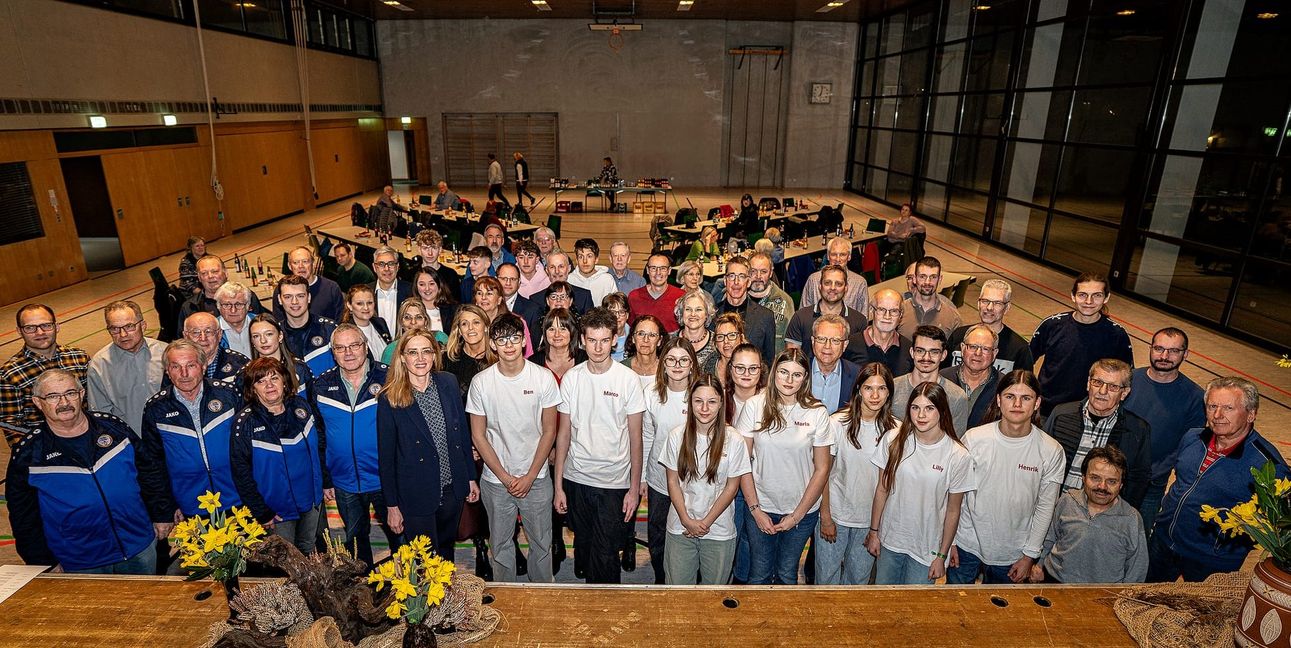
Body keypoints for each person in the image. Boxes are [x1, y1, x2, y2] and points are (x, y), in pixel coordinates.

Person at [7, 369, 170, 574]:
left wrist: (161, 513)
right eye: (53, 396)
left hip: (139, 546)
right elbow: (24, 517)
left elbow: (149, 471)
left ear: (81, 394)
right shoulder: (29, 454)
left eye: (70, 393)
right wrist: (42, 561)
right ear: (38, 403)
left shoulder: (113, 429)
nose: (64, 402)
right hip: (81, 560)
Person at [1147, 377, 1290, 582]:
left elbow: (1277, 522)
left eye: (1228, 408)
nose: (1217, 415)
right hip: (1162, 543)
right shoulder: (1192, 438)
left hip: (1209, 562)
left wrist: (1222, 547)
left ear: (1251, 414)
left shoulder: (1268, 465)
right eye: (1212, 406)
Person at [554, 307, 647, 584]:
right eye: (592, 340)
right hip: (577, 478)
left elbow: (636, 438)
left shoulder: (628, 380)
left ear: (615, 340)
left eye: (604, 340)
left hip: (614, 483)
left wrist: (634, 488)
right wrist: (558, 486)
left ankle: (606, 610)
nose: (598, 347)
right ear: (582, 340)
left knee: (606, 555)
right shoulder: (572, 378)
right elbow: (563, 435)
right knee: (584, 543)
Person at [947, 370, 1066, 584]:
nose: (1017, 404)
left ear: (1037, 403)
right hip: (966, 546)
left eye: (1026, 398)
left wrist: (1029, 555)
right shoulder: (974, 439)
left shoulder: (1051, 451)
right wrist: (952, 541)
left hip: (1013, 555)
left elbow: (1045, 507)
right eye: (1010, 396)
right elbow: (956, 495)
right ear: (999, 400)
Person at [467, 313, 561, 583]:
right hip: (496, 480)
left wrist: (530, 475)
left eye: (514, 338)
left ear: (523, 341)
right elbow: (479, 435)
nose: (508, 344)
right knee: (500, 545)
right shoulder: (482, 382)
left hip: (537, 478)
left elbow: (550, 430)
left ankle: (542, 594)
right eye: (501, 339)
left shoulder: (543, 378)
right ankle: (506, 596)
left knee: (542, 545)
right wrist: (505, 477)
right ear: (493, 344)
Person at [735, 348, 833, 585]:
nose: (789, 380)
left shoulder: (817, 412)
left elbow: (822, 469)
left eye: (797, 375)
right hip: (761, 505)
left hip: (802, 511)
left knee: (787, 573)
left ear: (805, 378)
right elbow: (741, 463)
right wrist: (756, 510)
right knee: (759, 573)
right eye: (783, 372)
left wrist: (796, 516)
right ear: (774, 373)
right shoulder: (754, 406)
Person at [378, 330, 478, 559]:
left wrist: (470, 477)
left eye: (426, 351)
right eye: (413, 352)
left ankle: (447, 596)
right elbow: (386, 458)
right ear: (402, 357)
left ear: (435, 355)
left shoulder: (448, 382)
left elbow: (461, 433)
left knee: (446, 552)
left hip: (452, 487)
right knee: (424, 561)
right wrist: (392, 506)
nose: (420, 358)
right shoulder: (389, 398)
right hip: (415, 493)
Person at [867, 382, 975, 585]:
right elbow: (882, 489)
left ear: (941, 410)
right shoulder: (893, 440)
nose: (921, 415)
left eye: (929, 408)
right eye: (915, 408)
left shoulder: (958, 455)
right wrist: (874, 532)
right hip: (890, 541)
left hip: (926, 550)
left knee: (914, 610)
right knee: (883, 603)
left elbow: (953, 510)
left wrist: (942, 555)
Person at [313, 324, 396, 566]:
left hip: (385, 480)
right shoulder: (321, 386)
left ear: (365, 347)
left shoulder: (389, 377)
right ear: (333, 352)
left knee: (399, 540)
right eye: (340, 347)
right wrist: (326, 478)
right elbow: (319, 436)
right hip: (345, 482)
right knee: (356, 546)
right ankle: (364, 593)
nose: (348, 352)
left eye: (354, 345)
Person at [139, 339, 245, 523]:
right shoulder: (156, 410)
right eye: (175, 367)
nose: (184, 374)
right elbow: (152, 465)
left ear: (203, 367)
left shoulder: (229, 396)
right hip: (190, 507)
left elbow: (250, 451)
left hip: (239, 499)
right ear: (167, 372)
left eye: (191, 365)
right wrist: (166, 508)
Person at [661, 375, 752, 584]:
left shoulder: (734, 440)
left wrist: (705, 523)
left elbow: (731, 487)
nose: (704, 408)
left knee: (714, 596)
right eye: (698, 401)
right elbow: (673, 482)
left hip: (718, 530)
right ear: (690, 402)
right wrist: (686, 520)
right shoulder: (676, 436)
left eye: (711, 401)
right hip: (680, 527)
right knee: (678, 594)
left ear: (721, 403)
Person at [229, 357, 324, 555]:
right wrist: (262, 513)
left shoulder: (302, 407)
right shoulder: (244, 423)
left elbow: (318, 449)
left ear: (284, 381)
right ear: (253, 388)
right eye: (261, 381)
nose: (269, 385)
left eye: (274, 378)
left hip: (310, 503)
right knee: (282, 563)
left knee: (306, 552)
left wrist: (325, 484)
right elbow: (241, 473)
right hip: (277, 513)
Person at [816, 362, 898, 585]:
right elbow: (822, 474)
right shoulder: (837, 423)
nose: (875, 395)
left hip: (870, 521)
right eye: (869, 388)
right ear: (859, 390)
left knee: (858, 580)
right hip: (836, 514)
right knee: (826, 578)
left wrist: (877, 527)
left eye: (881, 389)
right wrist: (825, 517)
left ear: (889, 393)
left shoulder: (896, 431)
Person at [1123, 328, 1205, 533]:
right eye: (1159, 348)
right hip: (1112, 472)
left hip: (1151, 483)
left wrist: (1160, 469)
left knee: (1138, 536)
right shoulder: (1129, 380)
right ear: (1150, 348)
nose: (1164, 356)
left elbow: (1191, 443)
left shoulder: (1195, 396)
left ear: (1185, 354)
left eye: (1173, 351)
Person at [1045, 359, 1151, 510]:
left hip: (1101, 518)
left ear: (1124, 393)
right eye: (1097, 382)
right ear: (1088, 383)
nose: (1102, 391)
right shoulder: (1061, 414)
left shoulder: (1137, 430)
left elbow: (1138, 480)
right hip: (1054, 509)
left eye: (1113, 387)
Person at [1032, 446, 1148, 583]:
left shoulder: (1131, 519)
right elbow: (1049, 537)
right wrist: (1038, 565)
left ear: (1121, 485)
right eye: (1095, 478)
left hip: (1103, 595)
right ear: (1083, 477)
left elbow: (1137, 568)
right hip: (1054, 581)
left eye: (1112, 481)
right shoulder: (1067, 500)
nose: (1102, 487)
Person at [1030, 271, 1134, 417]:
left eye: (1097, 295)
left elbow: (1126, 378)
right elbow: (1026, 361)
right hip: (1046, 410)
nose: (1089, 301)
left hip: (1090, 413)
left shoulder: (1117, 335)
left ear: (1106, 297)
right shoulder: (1052, 325)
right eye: (1082, 295)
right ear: (1073, 296)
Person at [641, 338, 699, 584]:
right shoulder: (652, 394)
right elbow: (646, 436)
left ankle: (689, 579)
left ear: (692, 364)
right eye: (671, 359)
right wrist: (643, 476)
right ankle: (661, 579)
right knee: (658, 534)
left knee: (690, 532)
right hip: (659, 478)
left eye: (683, 360)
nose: (677, 365)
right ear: (663, 363)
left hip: (693, 480)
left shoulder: (701, 395)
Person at [1, 304, 90, 447]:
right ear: (19, 331)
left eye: (46, 325)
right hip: (46, 449)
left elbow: (91, 402)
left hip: (87, 440)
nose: (40, 332)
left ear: (57, 326)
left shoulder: (79, 357)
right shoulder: (10, 374)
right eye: (30, 328)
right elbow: (12, 426)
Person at [87, 300, 166, 433]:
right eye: (114, 329)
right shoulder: (99, 366)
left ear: (143, 325)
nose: (123, 334)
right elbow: (100, 414)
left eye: (129, 326)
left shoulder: (166, 353)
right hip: (131, 441)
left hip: (171, 436)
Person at [725, 342, 766, 584]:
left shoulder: (771, 402)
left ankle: (742, 584)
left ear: (761, 370)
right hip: (725, 484)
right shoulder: (718, 399)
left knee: (750, 541)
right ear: (730, 369)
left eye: (753, 368)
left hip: (756, 484)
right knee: (728, 535)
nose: (746, 374)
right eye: (740, 368)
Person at [891, 326, 969, 434]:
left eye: (934, 352)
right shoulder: (892, 388)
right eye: (920, 351)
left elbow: (954, 442)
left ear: (943, 355)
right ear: (912, 352)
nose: (926, 357)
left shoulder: (956, 397)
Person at [944, 279, 1033, 373]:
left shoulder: (1019, 349)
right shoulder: (958, 336)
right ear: (978, 304)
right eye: (985, 301)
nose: (989, 307)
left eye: (997, 303)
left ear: (1006, 308)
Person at [785, 265, 867, 363]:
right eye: (827, 283)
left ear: (846, 288)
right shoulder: (800, 317)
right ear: (820, 286)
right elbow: (792, 359)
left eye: (838, 284)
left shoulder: (859, 321)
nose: (832, 288)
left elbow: (860, 361)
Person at [714, 256, 776, 366]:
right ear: (725, 281)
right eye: (731, 276)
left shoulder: (766, 316)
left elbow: (768, 362)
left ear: (748, 282)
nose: (736, 282)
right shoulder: (712, 315)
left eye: (741, 277)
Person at [176, 255, 265, 331]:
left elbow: (262, 324)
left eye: (215, 271)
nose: (210, 276)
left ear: (225, 273)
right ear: (199, 278)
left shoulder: (247, 296)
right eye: (204, 273)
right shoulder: (190, 307)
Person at [939, 324, 1003, 430]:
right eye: (973, 347)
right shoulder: (942, 379)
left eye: (986, 349)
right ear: (963, 348)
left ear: (994, 353)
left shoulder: (1004, 386)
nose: (978, 353)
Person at [276, 275, 338, 377]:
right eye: (288, 297)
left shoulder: (329, 330)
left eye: (300, 296)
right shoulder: (275, 334)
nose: (294, 302)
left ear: (309, 298)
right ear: (279, 299)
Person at [248, 314, 314, 397]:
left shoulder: (300, 369)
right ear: (252, 341)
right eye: (256, 336)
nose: (263, 340)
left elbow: (312, 405)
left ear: (280, 336)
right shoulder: (246, 373)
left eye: (269, 334)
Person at [806, 314, 861, 414]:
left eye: (835, 341)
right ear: (813, 342)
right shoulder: (799, 370)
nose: (827, 346)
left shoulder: (857, 375)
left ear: (845, 345)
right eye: (821, 339)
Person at [898, 257, 961, 340]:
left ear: (940, 279)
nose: (927, 282)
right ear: (914, 279)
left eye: (933, 277)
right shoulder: (898, 311)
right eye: (922, 277)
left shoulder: (953, 317)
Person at [443, 304, 497, 401]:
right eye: (464, 324)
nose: (470, 328)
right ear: (459, 330)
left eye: (476, 322)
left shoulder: (498, 358)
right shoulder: (448, 360)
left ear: (485, 327)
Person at [801, 238, 869, 315]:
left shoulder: (859, 283)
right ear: (827, 256)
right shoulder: (813, 279)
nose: (838, 259)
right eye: (833, 254)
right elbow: (804, 313)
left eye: (842, 255)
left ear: (849, 257)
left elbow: (863, 318)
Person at [181, 312, 249, 384]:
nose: (203, 338)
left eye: (208, 331)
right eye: (196, 332)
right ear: (185, 336)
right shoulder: (174, 365)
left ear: (219, 335)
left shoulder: (240, 364)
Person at [280, 246, 344, 322]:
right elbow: (279, 323)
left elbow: (341, 320)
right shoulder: (282, 290)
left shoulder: (331, 288)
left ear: (313, 264)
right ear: (289, 266)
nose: (301, 266)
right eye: (296, 262)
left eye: (305, 261)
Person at [747, 251, 794, 354]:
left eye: (763, 271)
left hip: (774, 364)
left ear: (771, 273)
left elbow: (791, 341)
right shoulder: (737, 299)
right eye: (753, 271)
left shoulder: (785, 301)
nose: (758, 276)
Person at [628, 253, 686, 334]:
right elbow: (630, 328)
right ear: (647, 270)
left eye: (663, 268)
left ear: (669, 271)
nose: (658, 272)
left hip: (673, 345)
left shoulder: (681, 296)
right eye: (653, 268)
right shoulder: (634, 296)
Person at [862, 289, 912, 377]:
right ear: (871, 310)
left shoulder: (909, 349)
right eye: (881, 309)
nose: (887, 316)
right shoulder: (850, 346)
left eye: (894, 311)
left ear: (901, 315)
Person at [530, 308, 586, 385]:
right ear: (545, 333)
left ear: (572, 332)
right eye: (551, 329)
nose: (557, 334)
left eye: (563, 329)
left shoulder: (585, 360)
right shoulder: (534, 363)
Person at [343, 284, 393, 359]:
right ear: (349, 305)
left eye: (369, 303)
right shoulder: (345, 332)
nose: (366, 308)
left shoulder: (380, 323)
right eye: (360, 304)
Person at [369, 246, 414, 328]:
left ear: (397, 267)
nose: (387, 268)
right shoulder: (366, 292)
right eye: (381, 264)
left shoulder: (411, 291)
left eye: (391, 264)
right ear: (374, 267)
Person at [496, 263, 543, 342]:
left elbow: (534, 343)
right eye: (504, 278)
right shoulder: (487, 305)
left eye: (513, 279)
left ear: (519, 283)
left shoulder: (532, 309)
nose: (508, 283)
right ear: (496, 280)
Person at [381, 298, 435, 365]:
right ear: (401, 322)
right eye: (407, 317)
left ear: (426, 321)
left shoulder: (440, 339)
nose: (413, 322)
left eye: (418, 317)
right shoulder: (391, 350)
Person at [414, 229, 462, 304]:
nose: (430, 253)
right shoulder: (411, 274)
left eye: (434, 248)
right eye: (425, 248)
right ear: (419, 250)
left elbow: (456, 303)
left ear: (440, 250)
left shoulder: (451, 275)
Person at [675, 289, 717, 371]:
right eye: (688, 309)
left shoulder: (717, 342)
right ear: (681, 313)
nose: (693, 314)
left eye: (698, 309)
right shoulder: (670, 340)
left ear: (706, 314)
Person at [568, 238, 618, 307]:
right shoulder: (569, 280)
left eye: (589, 256)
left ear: (596, 259)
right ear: (576, 260)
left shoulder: (607, 280)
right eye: (581, 257)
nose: (585, 261)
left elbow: (614, 307)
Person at [622, 315, 664, 390]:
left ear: (659, 341)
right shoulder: (622, 368)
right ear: (633, 338)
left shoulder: (667, 369)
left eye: (652, 335)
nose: (646, 340)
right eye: (641, 334)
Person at [215, 281, 254, 358]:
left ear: (248, 306)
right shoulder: (211, 330)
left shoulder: (261, 323)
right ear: (218, 306)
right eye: (227, 305)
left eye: (239, 304)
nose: (233, 310)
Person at [711, 313, 745, 382]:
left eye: (731, 335)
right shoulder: (706, 367)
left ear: (741, 338)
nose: (726, 341)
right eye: (720, 336)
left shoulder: (751, 367)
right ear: (715, 343)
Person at [604, 293, 632, 363]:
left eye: (621, 312)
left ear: (627, 315)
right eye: (612, 312)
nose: (617, 316)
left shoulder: (634, 338)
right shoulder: (598, 338)